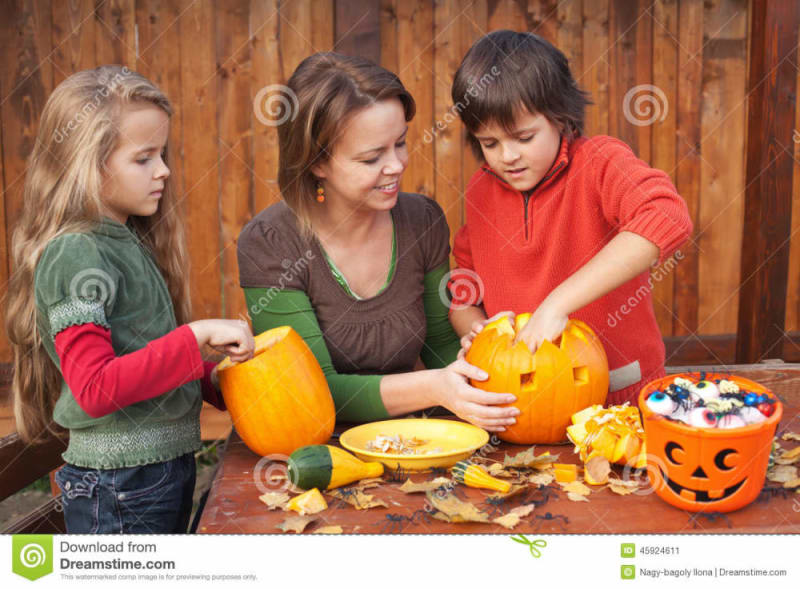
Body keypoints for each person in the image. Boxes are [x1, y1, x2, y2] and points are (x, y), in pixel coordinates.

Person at [5, 65, 254, 534]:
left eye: (162, 155)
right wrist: (196, 335)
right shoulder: (77, 253)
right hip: (120, 485)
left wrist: (214, 378)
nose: (163, 171)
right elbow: (96, 388)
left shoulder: (124, 240)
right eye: (143, 159)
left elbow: (140, 358)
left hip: (151, 475)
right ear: (87, 163)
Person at [238, 53, 520, 432]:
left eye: (400, 143)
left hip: (417, 440)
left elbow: (440, 346)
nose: (397, 165)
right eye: (372, 158)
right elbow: (312, 391)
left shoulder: (422, 220)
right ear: (316, 163)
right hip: (316, 452)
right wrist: (433, 387)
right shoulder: (271, 243)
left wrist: (495, 355)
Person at [449, 31, 693, 405]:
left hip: (618, 394)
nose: (507, 156)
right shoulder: (481, 190)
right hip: (520, 400)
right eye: (490, 143)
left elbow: (666, 216)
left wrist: (556, 303)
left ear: (560, 118)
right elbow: (464, 290)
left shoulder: (599, 163)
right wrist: (479, 334)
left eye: (523, 137)